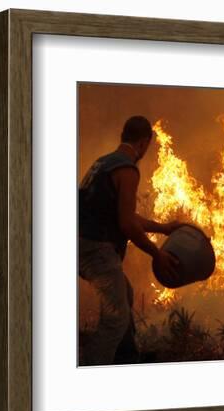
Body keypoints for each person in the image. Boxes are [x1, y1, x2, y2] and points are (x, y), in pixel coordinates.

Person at [78, 115, 182, 365]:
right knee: (115, 319)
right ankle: (91, 375)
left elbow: (124, 214)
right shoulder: (127, 169)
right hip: (95, 250)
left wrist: (163, 228)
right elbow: (126, 225)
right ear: (144, 142)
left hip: (80, 243)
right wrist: (157, 254)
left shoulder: (103, 163)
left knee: (124, 293)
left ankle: (127, 359)